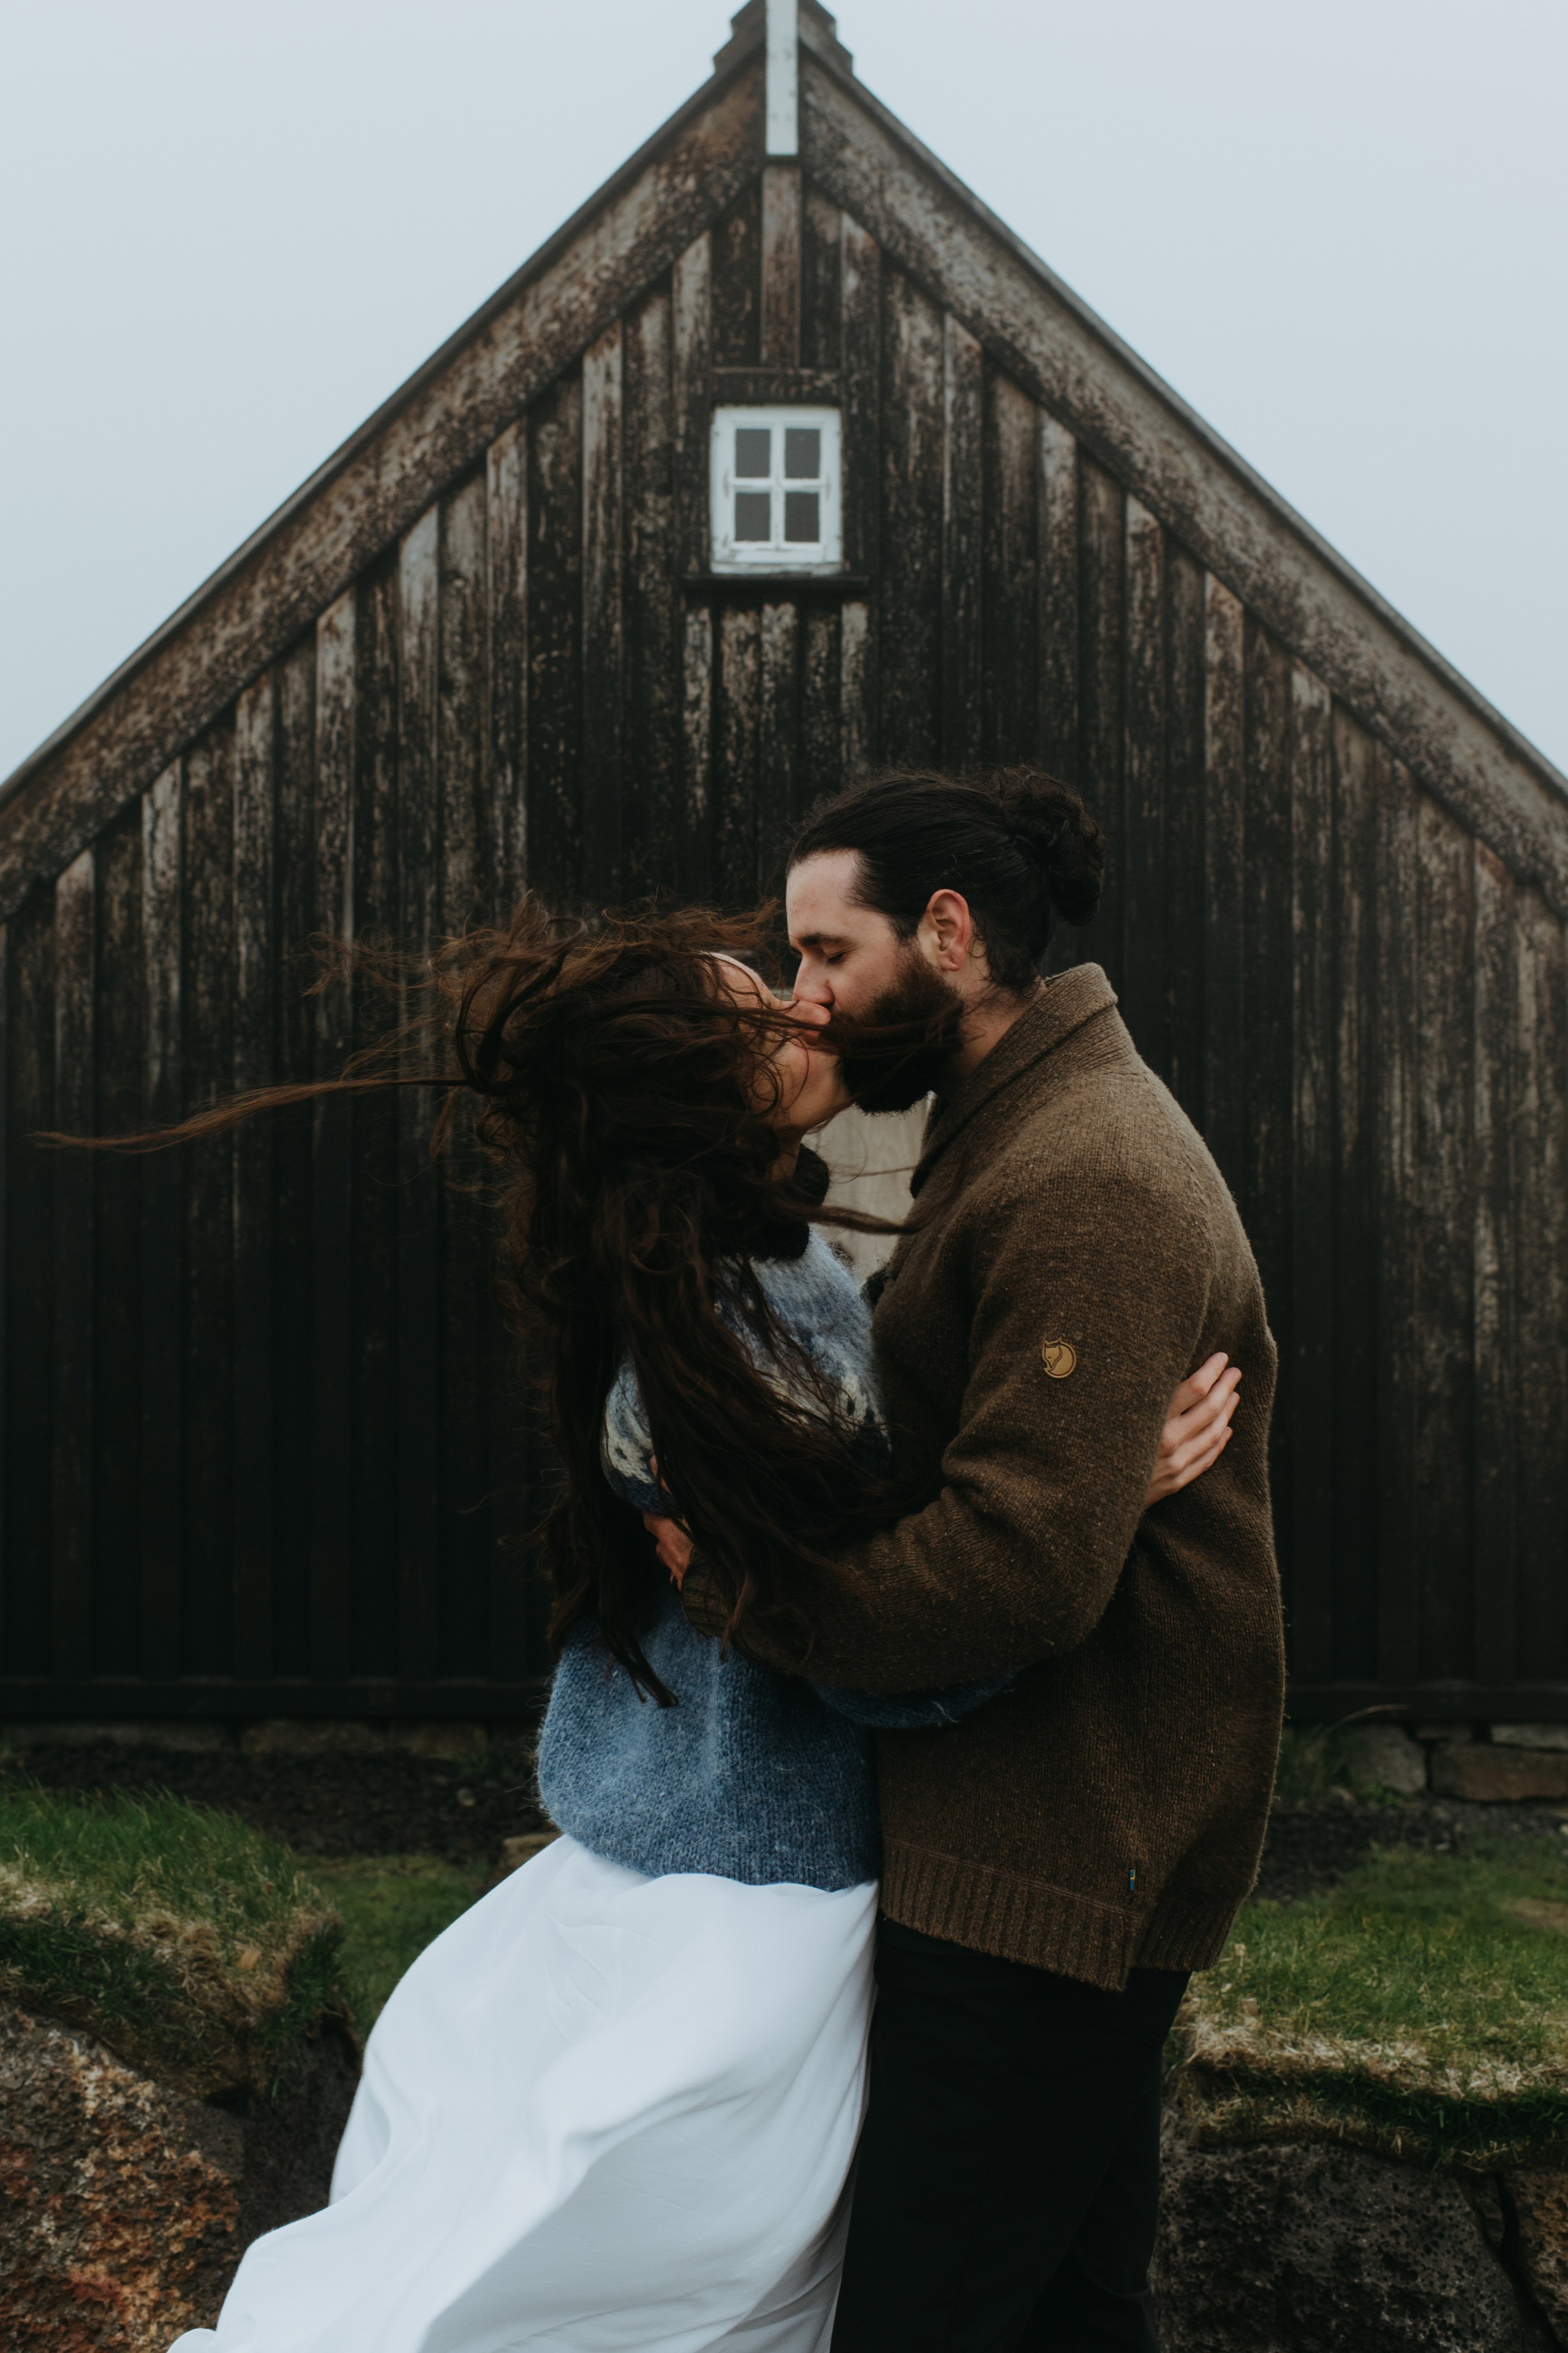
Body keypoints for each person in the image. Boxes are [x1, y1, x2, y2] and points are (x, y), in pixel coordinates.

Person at [68, 905, 1231, 2353]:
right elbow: (887, 1664)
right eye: (752, 1020)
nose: (803, 1014)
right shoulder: (749, 1341)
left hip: (646, 1855)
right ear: (692, 1101)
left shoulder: (714, 1284)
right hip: (757, 1900)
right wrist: (1082, 1504)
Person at [649, 769, 1284, 2353]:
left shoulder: (1086, 1173)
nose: (807, 1001)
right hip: (1033, 1841)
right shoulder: (1010, 1141)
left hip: (1046, 1864)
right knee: (1070, 2317)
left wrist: (741, 1593)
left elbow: (1017, 1570)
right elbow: (1012, 1492)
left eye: (825, 954)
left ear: (947, 933)